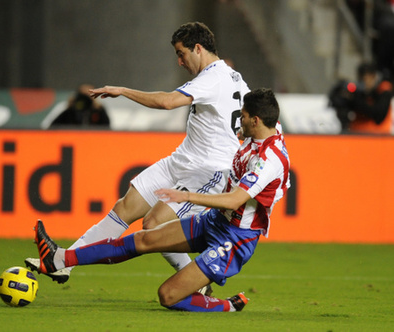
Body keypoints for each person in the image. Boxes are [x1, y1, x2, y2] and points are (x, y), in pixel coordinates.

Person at [25, 22, 250, 289]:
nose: (179, 61)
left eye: (181, 53)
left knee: (153, 224)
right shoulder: (231, 76)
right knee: (125, 206)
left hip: (207, 171)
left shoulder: (214, 77)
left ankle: (195, 282)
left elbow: (167, 102)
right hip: (181, 160)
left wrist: (123, 91)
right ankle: (63, 262)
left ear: (198, 48)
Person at [32, 88, 290, 312]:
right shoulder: (264, 129)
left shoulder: (268, 160)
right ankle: (60, 259)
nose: (239, 121)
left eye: (243, 117)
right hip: (214, 221)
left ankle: (228, 306)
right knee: (146, 237)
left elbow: (235, 200)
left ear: (256, 121)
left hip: (235, 239)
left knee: (167, 295)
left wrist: (186, 195)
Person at [329, 62, 393, 133]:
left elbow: (378, 115)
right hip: (356, 133)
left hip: (378, 136)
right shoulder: (358, 92)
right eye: (360, 80)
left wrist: (354, 99)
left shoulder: (382, 90)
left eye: (365, 79)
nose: (363, 83)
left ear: (373, 76)